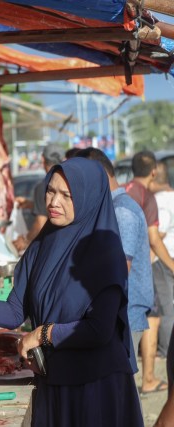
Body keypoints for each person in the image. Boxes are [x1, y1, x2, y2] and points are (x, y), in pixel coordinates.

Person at [0, 158, 143, 426]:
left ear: (89, 198)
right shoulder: (43, 244)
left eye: (67, 195)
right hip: (52, 382)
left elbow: (99, 330)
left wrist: (42, 334)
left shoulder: (105, 252)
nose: (54, 202)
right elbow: (15, 311)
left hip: (94, 390)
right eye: (51, 191)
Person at [76, 148, 153, 384]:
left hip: (125, 314)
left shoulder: (122, 211)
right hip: (120, 313)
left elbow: (121, 269)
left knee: (120, 389)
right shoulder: (113, 208)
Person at [124, 150, 174, 393]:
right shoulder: (147, 196)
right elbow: (154, 239)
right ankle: (148, 378)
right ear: (153, 171)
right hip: (141, 272)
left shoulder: (124, 191)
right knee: (151, 319)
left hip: (123, 270)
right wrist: (172, 265)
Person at [13, 144, 63, 253]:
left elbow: (41, 223)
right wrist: (31, 204)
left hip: (50, 247)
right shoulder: (69, 182)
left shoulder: (44, 186)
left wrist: (26, 240)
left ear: (42, 159)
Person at [150, 162, 174, 359]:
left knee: (167, 309)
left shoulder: (159, 201)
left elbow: (158, 235)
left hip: (163, 260)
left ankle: (166, 351)